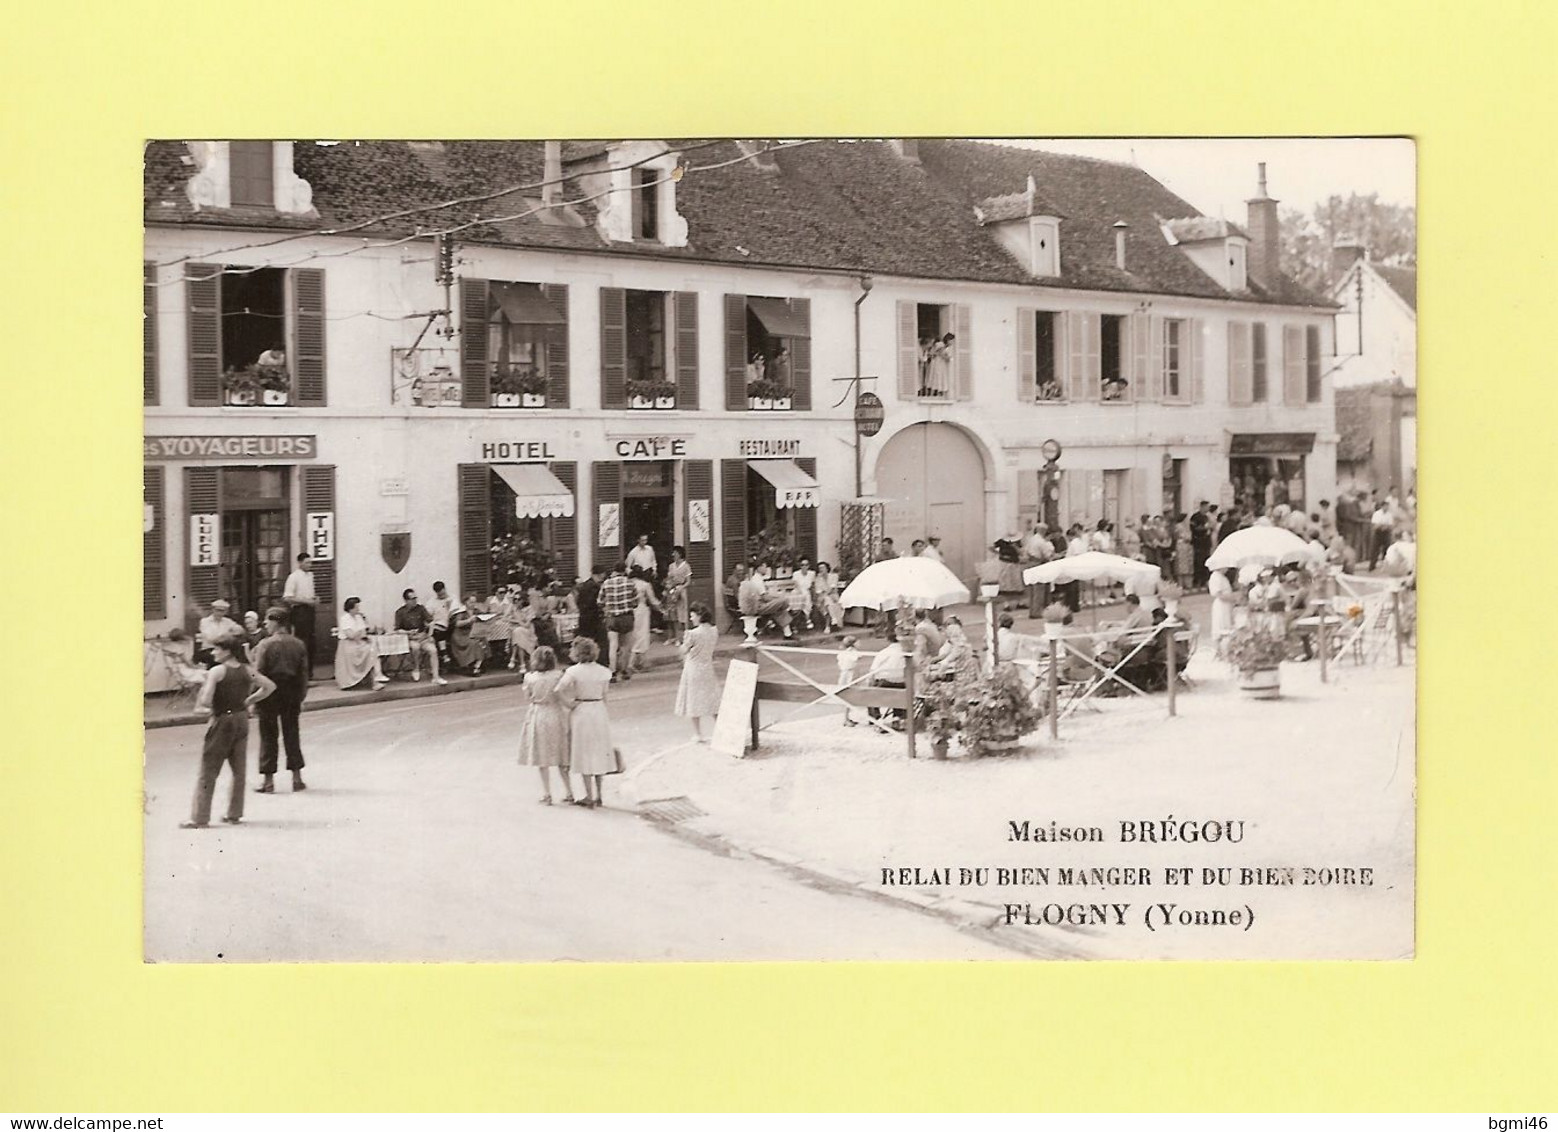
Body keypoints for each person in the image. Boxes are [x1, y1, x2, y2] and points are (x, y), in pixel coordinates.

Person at [181, 634, 274, 829]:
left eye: (216, 649)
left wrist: (206, 695)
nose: (213, 653)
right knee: (238, 769)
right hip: (241, 718)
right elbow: (269, 686)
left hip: (222, 719)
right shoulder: (247, 670)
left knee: (208, 769)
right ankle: (234, 813)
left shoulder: (217, 671)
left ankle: (200, 817)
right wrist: (249, 701)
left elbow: (206, 701)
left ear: (227, 651)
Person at [251, 607, 310, 794]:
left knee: (268, 736)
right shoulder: (298, 644)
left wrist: (254, 698)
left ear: (275, 622)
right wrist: (301, 696)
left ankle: (268, 782)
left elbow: (258, 673)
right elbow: (303, 675)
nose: (265, 625)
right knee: (292, 733)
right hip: (291, 691)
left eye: (267, 621)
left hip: (269, 691)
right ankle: (297, 778)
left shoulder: (265, 645)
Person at [556, 637, 615, 809]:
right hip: (599, 709)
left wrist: (568, 703)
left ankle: (588, 795)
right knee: (599, 750)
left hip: (582, 709)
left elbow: (558, 690)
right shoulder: (603, 671)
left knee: (584, 751)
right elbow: (605, 695)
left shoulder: (573, 671)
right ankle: (599, 794)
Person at [517, 645, 573, 806]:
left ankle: (547, 793)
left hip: (539, 713)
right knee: (561, 754)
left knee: (542, 756)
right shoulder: (558, 676)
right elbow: (565, 693)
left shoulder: (530, 678)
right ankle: (569, 791)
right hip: (556, 713)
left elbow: (527, 697)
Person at [674, 603, 721, 743]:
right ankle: (720, 729)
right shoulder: (714, 631)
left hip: (693, 668)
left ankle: (698, 733)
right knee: (713, 699)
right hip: (707, 667)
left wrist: (680, 645)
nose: (691, 618)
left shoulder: (692, 634)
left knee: (693, 700)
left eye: (693, 615)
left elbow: (683, 651)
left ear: (699, 616)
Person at [393, 587, 446, 684]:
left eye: (415, 598)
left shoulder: (421, 609)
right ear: (406, 600)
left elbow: (431, 622)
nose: (415, 601)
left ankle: (436, 676)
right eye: (412, 599)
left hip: (423, 637)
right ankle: (416, 669)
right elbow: (397, 630)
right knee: (415, 647)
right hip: (411, 638)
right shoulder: (400, 612)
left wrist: (429, 635)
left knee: (433, 650)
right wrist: (408, 632)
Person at [333, 596, 387, 691]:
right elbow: (350, 635)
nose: (358, 609)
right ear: (350, 608)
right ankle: (375, 678)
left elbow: (363, 633)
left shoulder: (358, 617)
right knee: (371, 651)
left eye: (358, 607)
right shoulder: (345, 618)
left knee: (373, 649)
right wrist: (360, 633)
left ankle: (376, 679)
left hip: (358, 643)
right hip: (347, 645)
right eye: (356, 607)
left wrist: (363, 635)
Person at [597, 562, 639, 680]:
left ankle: (612, 671)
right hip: (626, 617)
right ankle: (624, 670)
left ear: (614, 571)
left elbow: (600, 602)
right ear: (624, 570)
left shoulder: (606, 583)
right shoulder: (630, 583)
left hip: (612, 617)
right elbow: (636, 602)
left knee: (613, 645)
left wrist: (608, 607)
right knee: (625, 645)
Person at [282, 553, 318, 674]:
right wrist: (305, 601)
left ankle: (309, 673)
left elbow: (309, 594)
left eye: (310, 562)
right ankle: (300, 673)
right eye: (307, 562)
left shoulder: (310, 576)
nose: (309, 565)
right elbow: (287, 597)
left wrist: (314, 599)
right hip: (299, 611)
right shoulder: (293, 577)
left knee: (311, 641)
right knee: (302, 641)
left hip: (310, 611)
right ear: (300, 563)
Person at [738, 563, 794, 639]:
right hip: (758, 606)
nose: (766, 569)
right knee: (783, 601)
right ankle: (788, 630)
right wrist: (777, 598)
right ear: (759, 568)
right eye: (765, 567)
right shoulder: (757, 580)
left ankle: (787, 633)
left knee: (779, 608)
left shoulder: (757, 578)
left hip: (760, 604)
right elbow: (765, 597)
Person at [866, 636, 909, 725]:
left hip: (885, 683)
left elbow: (873, 670)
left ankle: (875, 718)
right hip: (902, 684)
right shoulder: (906, 653)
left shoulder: (884, 652)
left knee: (870, 692)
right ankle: (898, 717)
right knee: (900, 693)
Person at [628, 568, 662, 671]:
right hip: (641, 610)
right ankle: (633, 662)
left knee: (632, 635)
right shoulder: (645, 585)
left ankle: (640, 661)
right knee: (642, 635)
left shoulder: (628, 584)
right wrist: (661, 608)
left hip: (629, 610)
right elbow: (653, 600)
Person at [195, 599, 243, 667]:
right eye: (218, 610)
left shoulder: (228, 621)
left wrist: (225, 636)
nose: (220, 613)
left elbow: (240, 630)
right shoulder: (205, 621)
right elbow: (211, 639)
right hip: (209, 651)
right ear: (213, 610)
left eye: (223, 611)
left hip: (224, 652)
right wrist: (227, 636)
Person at [447, 594, 485, 675]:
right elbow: (457, 624)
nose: (473, 604)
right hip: (460, 635)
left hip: (472, 633)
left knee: (484, 641)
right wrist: (469, 620)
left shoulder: (476, 611)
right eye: (471, 602)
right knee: (474, 643)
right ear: (466, 602)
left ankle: (478, 665)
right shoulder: (461, 612)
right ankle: (471, 665)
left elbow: (483, 617)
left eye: (475, 602)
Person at [575, 564, 607, 660]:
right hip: (593, 618)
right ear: (600, 574)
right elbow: (594, 602)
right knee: (599, 642)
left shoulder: (584, 585)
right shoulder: (594, 587)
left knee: (586, 642)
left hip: (584, 617)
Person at [663, 546, 692, 646]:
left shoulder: (686, 566)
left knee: (680, 615)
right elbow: (669, 578)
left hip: (680, 590)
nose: (673, 555)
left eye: (675, 553)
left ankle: (679, 638)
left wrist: (681, 587)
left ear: (680, 554)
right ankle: (670, 637)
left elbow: (688, 581)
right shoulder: (671, 566)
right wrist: (667, 586)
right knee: (671, 615)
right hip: (671, 590)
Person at [1208, 568, 1236, 656]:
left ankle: (1226, 650)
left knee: (1227, 624)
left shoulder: (1222, 577)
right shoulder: (1215, 577)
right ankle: (1219, 651)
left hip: (1227, 605)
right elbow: (1218, 594)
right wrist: (1232, 598)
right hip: (1221, 605)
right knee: (1221, 626)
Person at [836, 635, 863, 726]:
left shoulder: (843, 652)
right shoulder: (852, 653)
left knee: (849, 696)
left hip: (845, 673)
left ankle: (847, 717)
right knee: (849, 695)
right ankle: (846, 718)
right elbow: (858, 657)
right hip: (850, 674)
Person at [426, 581, 453, 664]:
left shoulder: (452, 598)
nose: (441, 596)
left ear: (445, 589)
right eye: (439, 594)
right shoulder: (432, 602)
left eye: (443, 593)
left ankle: (443, 654)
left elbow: (457, 611)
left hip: (451, 624)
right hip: (438, 626)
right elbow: (428, 615)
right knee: (436, 631)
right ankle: (444, 654)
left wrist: (449, 607)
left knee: (436, 633)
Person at [815, 561, 845, 632]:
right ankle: (833, 618)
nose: (821, 569)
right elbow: (818, 592)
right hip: (823, 599)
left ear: (827, 568)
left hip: (833, 597)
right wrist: (824, 595)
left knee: (828, 601)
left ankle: (827, 626)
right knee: (827, 600)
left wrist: (825, 594)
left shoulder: (834, 576)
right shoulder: (818, 579)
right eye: (819, 568)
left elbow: (832, 589)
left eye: (822, 567)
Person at [790, 556, 817, 630]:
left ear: (809, 566)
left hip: (807, 591)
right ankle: (798, 622)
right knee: (799, 598)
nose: (804, 567)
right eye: (802, 565)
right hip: (797, 591)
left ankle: (807, 618)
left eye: (806, 565)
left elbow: (813, 585)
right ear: (800, 566)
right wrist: (801, 592)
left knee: (807, 597)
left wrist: (814, 594)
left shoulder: (812, 574)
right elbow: (796, 585)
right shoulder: (796, 574)